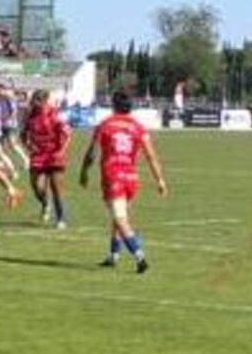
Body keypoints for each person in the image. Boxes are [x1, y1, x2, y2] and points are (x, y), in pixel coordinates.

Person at [79, 91, 167, 273]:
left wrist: (84, 172)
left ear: (113, 105)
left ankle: (139, 256)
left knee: (120, 218)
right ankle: (113, 256)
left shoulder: (105, 125)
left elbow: (92, 152)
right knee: (118, 217)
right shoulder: (138, 127)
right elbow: (150, 155)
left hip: (113, 176)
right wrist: (159, 180)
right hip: (131, 178)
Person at [23, 89, 72, 229]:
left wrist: (62, 150)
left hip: (54, 154)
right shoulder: (30, 115)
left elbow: (68, 134)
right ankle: (45, 203)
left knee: (56, 187)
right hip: (38, 154)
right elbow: (23, 134)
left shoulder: (54, 114)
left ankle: (61, 218)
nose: (34, 103)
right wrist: (28, 146)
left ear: (44, 101)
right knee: (36, 186)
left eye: (37, 101)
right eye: (33, 100)